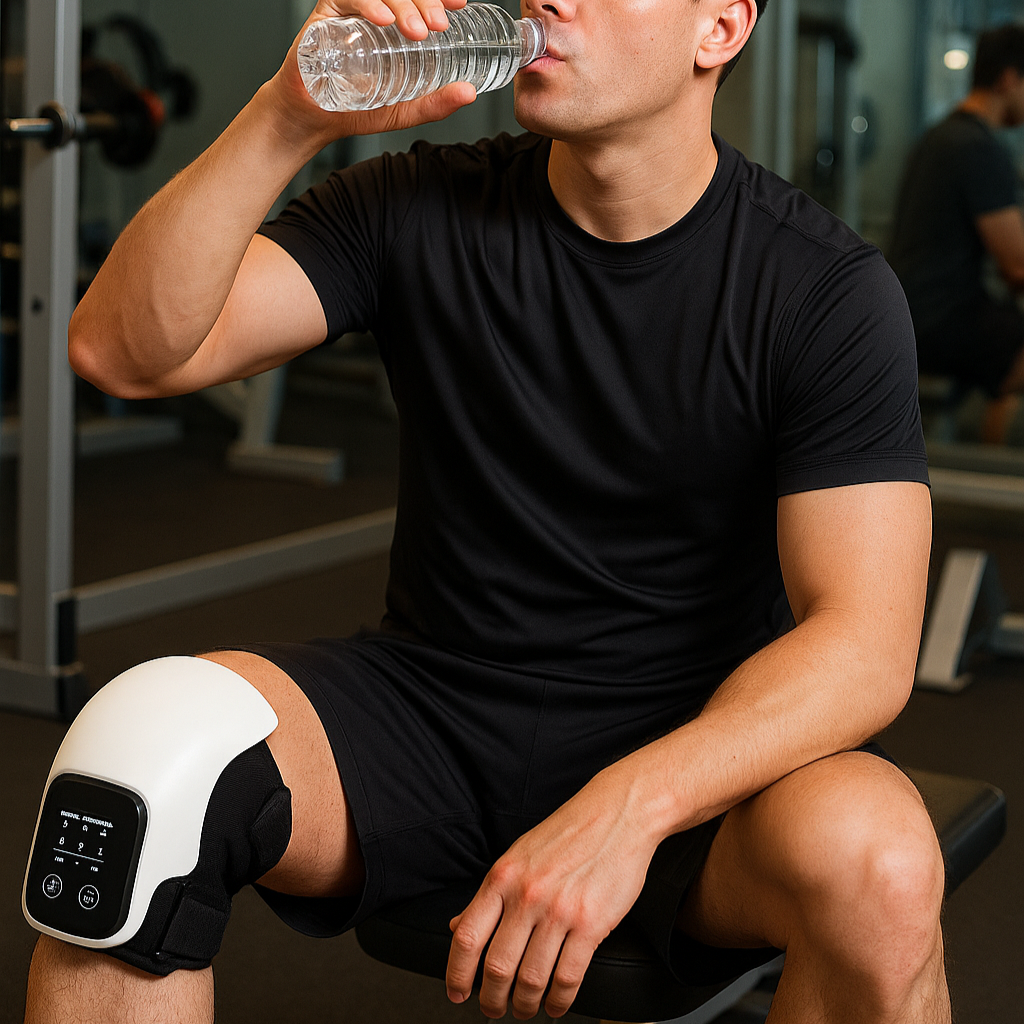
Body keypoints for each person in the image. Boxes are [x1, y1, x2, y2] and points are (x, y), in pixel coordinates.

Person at [24, 0, 945, 1022]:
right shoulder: (417, 202)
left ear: (718, 31)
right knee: (143, 757)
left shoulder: (821, 289)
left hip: (694, 750)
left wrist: (627, 807)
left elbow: (863, 645)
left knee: (882, 864)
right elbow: (124, 351)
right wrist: (287, 116)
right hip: (433, 715)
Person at [889, 22, 1024, 442]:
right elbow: (1017, 266)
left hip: (907, 312)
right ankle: (996, 489)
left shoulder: (938, 136)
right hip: (941, 319)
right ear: (1009, 79)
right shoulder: (978, 148)